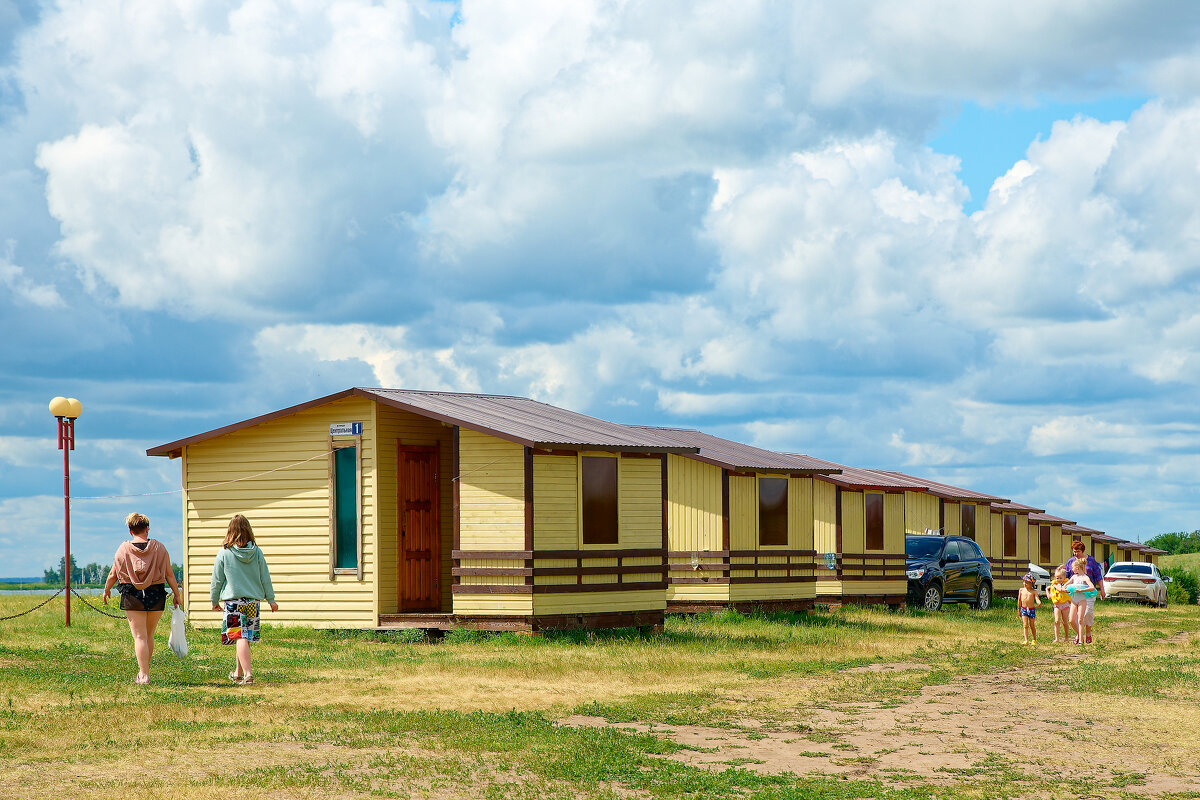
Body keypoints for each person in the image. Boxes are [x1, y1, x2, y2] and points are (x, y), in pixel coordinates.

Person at [102, 513, 182, 685]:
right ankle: (144, 671)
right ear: (147, 528)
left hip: (132, 594)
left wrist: (107, 589)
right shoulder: (159, 547)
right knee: (149, 635)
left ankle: (143, 675)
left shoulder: (123, 549)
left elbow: (113, 574)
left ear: (130, 530)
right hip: (156, 593)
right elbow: (169, 574)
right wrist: (176, 594)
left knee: (139, 636)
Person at [210, 514, 277, 685]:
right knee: (244, 637)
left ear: (230, 531)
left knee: (239, 636)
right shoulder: (257, 552)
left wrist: (214, 600)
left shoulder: (224, 552)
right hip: (252, 602)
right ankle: (238, 673)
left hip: (234, 603)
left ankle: (247, 674)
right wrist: (271, 599)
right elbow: (265, 577)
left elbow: (217, 579)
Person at [1065, 541, 1105, 644]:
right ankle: (1079, 634)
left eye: (1077, 551)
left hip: (1088, 592)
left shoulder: (1091, 561)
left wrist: (1102, 589)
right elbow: (1066, 576)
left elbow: (1098, 576)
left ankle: (1087, 633)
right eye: (1074, 551)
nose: (1075, 554)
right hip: (1076, 592)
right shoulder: (1070, 562)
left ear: (1082, 550)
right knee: (1076, 616)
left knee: (1087, 612)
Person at [1066, 558, 1096, 645]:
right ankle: (1080, 635)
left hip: (1082, 599)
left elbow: (1092, 587)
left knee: (1080, 619)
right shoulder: (1074, 577)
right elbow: (1065, 585)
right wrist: (1064, 589)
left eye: (1073, 568)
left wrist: (1082, 590)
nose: (1071, 569)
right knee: (1071, 620)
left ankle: (1080, 641)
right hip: (1074, 599)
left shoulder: (1085, 578)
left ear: (1077, 568)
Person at [1046, 566, 1072, 643]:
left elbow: (1067, 592)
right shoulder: (1053, 586)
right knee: (1057, 621)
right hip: (1057, 605)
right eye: (1057, 578)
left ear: (1064, 577)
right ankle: (1057, 638)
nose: (1059, 580)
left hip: (1065, 604)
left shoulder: (1066, 585)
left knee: (1065, 621)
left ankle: (1066, 637)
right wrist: (1047, 590)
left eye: (1060, 578)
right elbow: (1050, 597)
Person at [1017, 572, 1042, 645]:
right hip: (1024, 609)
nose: (1025, 584)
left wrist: (1038, 602)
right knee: (1025, 625)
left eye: (1027, 583)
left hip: (1031, 609)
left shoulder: (1033, 591)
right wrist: (1018, 609)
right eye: (1024, 582)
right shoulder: (1021, 590)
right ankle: (1026, 640)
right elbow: (1019, 600)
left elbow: (1037, 598)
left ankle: (1034, 639)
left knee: (1032, 625)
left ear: (1031, 584)